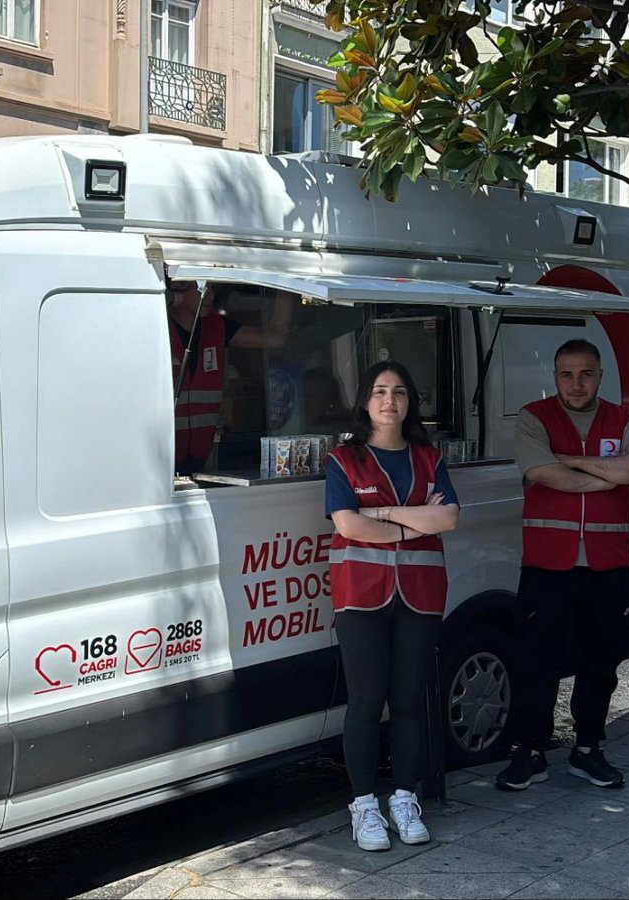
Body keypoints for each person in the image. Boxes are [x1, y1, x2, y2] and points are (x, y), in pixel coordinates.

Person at [496, 339, 629, 792]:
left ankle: (588, 749)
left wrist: (570, 460)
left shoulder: (624, 419)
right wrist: (609, 472)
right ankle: (530, 752)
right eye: (566, 374)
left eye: (585, 373)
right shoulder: (535, 417)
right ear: (555, 377)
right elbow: (543, 473)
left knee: (601, 663)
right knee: (536, 661)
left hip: (609, 565)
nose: (576, 383)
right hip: (548, 564)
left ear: (600, 375)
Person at [324, 361, 461, 851]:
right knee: (365, 701)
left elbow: (449, 518)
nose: (389, 400)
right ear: (365, 401)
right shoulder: (344, 459)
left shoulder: (429, 457)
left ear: (410, 403)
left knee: (408, 700)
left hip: (420, 593)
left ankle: (404, 798)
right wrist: (414, 523)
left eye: (400, 391)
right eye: (380, 391)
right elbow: (348, 525)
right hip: (361, 594)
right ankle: (364, 805)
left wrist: (382, 514)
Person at [168, 278, 292, 475]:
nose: (209, 294)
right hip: (160, 457)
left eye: (212, 287)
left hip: (199, 458)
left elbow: (275, 339)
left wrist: (286, 286)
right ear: (177, 287)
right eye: (202, 286)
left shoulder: (217, 327)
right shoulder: (156, 330)